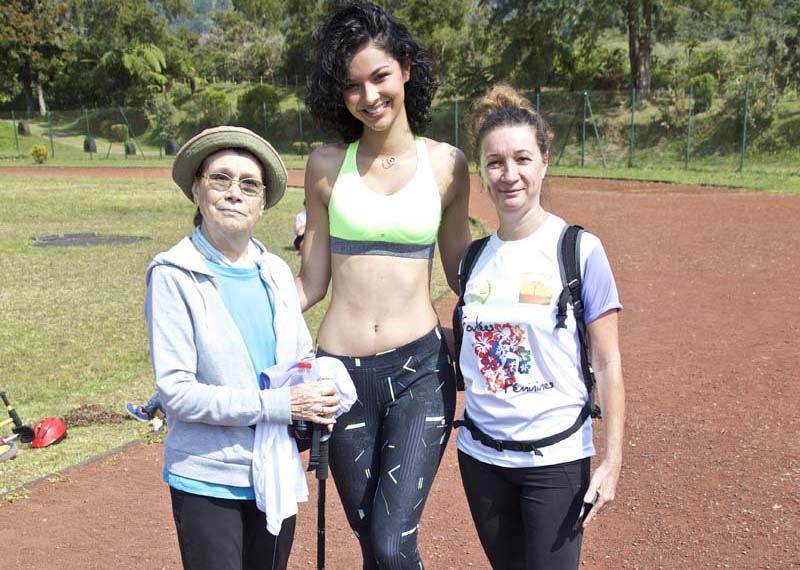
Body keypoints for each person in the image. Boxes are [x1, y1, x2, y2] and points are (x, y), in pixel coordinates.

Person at [297, 2, 471, 568]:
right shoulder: (325, 166)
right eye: (352, 86)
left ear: (406, 71)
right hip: (337, 380)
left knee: (394, 543)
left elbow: (463, 274)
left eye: (380, 77)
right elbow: (311, 285)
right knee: (375, 545)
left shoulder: (447, 165)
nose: (369, 96)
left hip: (420, 372)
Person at [146, 126, 341, 570]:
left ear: (262, 203)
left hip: (274, 471)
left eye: (249, 184)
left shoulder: (274, 272)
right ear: (197, 190)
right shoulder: (173, 274)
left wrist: (320, 391)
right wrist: (282, 404)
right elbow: (177, 392)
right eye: (221, 179)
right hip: (207, 477)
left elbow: (295, 366)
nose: (235, 193)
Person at [455, 85, 625, 570]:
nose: (509, 175)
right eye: (495, 163)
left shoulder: (578, 249)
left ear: (544, 162)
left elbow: (608, 363)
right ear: (483, 173)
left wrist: (611, 462)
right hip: (482, 460)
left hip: (555, 460)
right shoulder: (473, 261)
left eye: (522, 159)